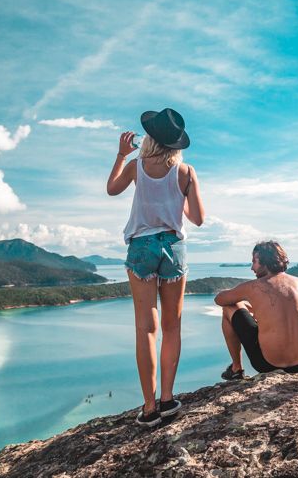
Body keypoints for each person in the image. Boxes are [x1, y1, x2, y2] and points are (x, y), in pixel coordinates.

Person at [106, 107, 205, 427]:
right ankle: (167, 399)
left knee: (145, 329)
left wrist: (121, 155)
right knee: (171, 327)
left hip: (141, 248)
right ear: (175, 144)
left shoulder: (137, 166)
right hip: (174, 249)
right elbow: (198, 219)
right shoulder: (186, 172)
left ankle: (148, 408)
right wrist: (178, 200)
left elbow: (112, 190)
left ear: (149, 139)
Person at [214, 241, 298, 378]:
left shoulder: (254, 286)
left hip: (268, 364)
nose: (252, 268)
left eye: (254, 262)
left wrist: (242, 301)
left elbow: (219, 300)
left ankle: (236, 368)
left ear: (265, 262)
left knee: (230, 307)